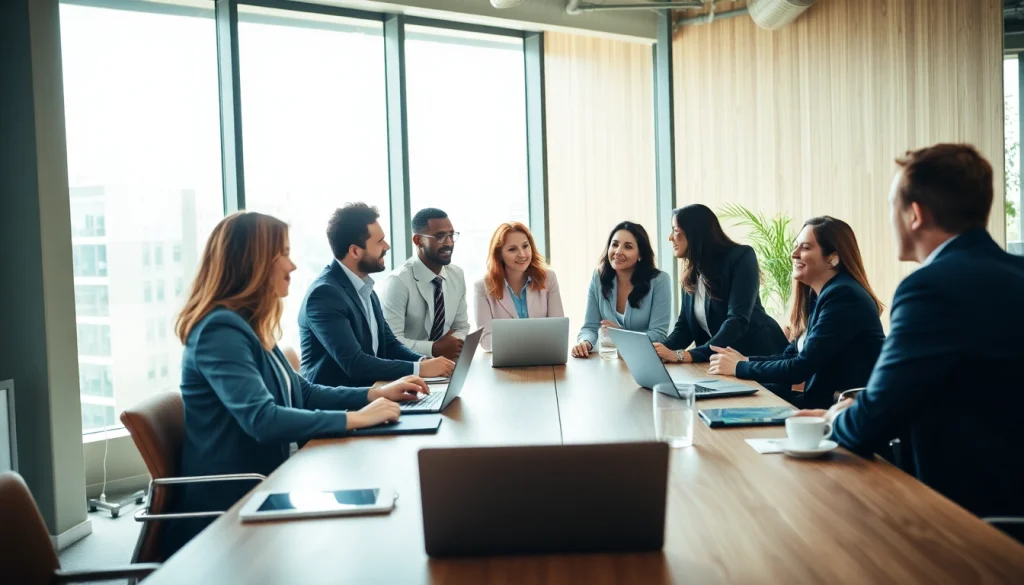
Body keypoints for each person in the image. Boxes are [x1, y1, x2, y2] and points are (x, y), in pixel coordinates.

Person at [165, 211, 428, 557]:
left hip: (272, 479)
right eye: (284, 254)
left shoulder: (250, 325)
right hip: (234, 505)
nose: (292, 266)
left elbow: (301, 391)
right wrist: (356, 418)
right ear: (254, 263)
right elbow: (262, 419)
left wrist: (374, 394)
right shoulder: (219, 331)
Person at [797, 144, 1024, 520]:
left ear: (914, 215)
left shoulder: (928, 288)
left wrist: (836, 417)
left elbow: (873, 423)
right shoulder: (1017, 271)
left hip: (964, 517)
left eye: (892, 206)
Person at [707, 216, 885, 409]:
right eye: (795, 246)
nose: (794, 254)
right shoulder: (818, 295)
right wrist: (744, 360)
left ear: (832, 258)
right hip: (821, 404)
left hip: (842, 411)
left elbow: (801, 368)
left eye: (805, 247)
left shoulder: (844, 296)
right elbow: (790, 356)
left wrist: (739, 367)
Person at [298, 203, 454, 387]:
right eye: (380, 242)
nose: (387, 246)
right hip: (341, 401)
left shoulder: (365, 287)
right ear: (355, 251)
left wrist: (424, 362)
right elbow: (355, 364)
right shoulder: (324, 295)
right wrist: (419, 369)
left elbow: (389, 345)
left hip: (374, 393)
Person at [654, 204, 788, 364]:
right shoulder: (691, 273)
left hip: (760, 360)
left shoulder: (741, 257)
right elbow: (685, 328)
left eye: (675, 231)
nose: (670, 237)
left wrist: (688, 355)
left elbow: (736, 321)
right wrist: (656, 352)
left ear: (695, 233)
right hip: (722, 365)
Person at [571, 221, 673, 358]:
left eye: (628, 247)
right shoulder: (598, 277)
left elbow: (658, 334)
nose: (618, 252)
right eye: (615, 245)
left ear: (640, 254)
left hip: (644, 358)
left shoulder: (660, 280)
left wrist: (621, 335)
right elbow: (590, 327)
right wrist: (585, 343)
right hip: (608, 359)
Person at [382, 208, 470, 361]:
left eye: (451, 235)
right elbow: (391, 342)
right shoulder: (398, 281)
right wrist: (433, 348)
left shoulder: (457, 275)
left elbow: (462, 327)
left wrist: (452, 344)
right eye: (440, 236)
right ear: (418, 241)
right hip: (410, 367)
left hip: (448, 363)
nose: (449, 243)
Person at [473, 221, 564, 351]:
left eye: (525, 246)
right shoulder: (482, 287)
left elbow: (558, 330)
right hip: (507, 359)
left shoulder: (548, 278)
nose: (522, 254)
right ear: (499, 254)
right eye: (512, 249)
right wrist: (527, 344)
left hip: (543, 356)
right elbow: (486, 340)